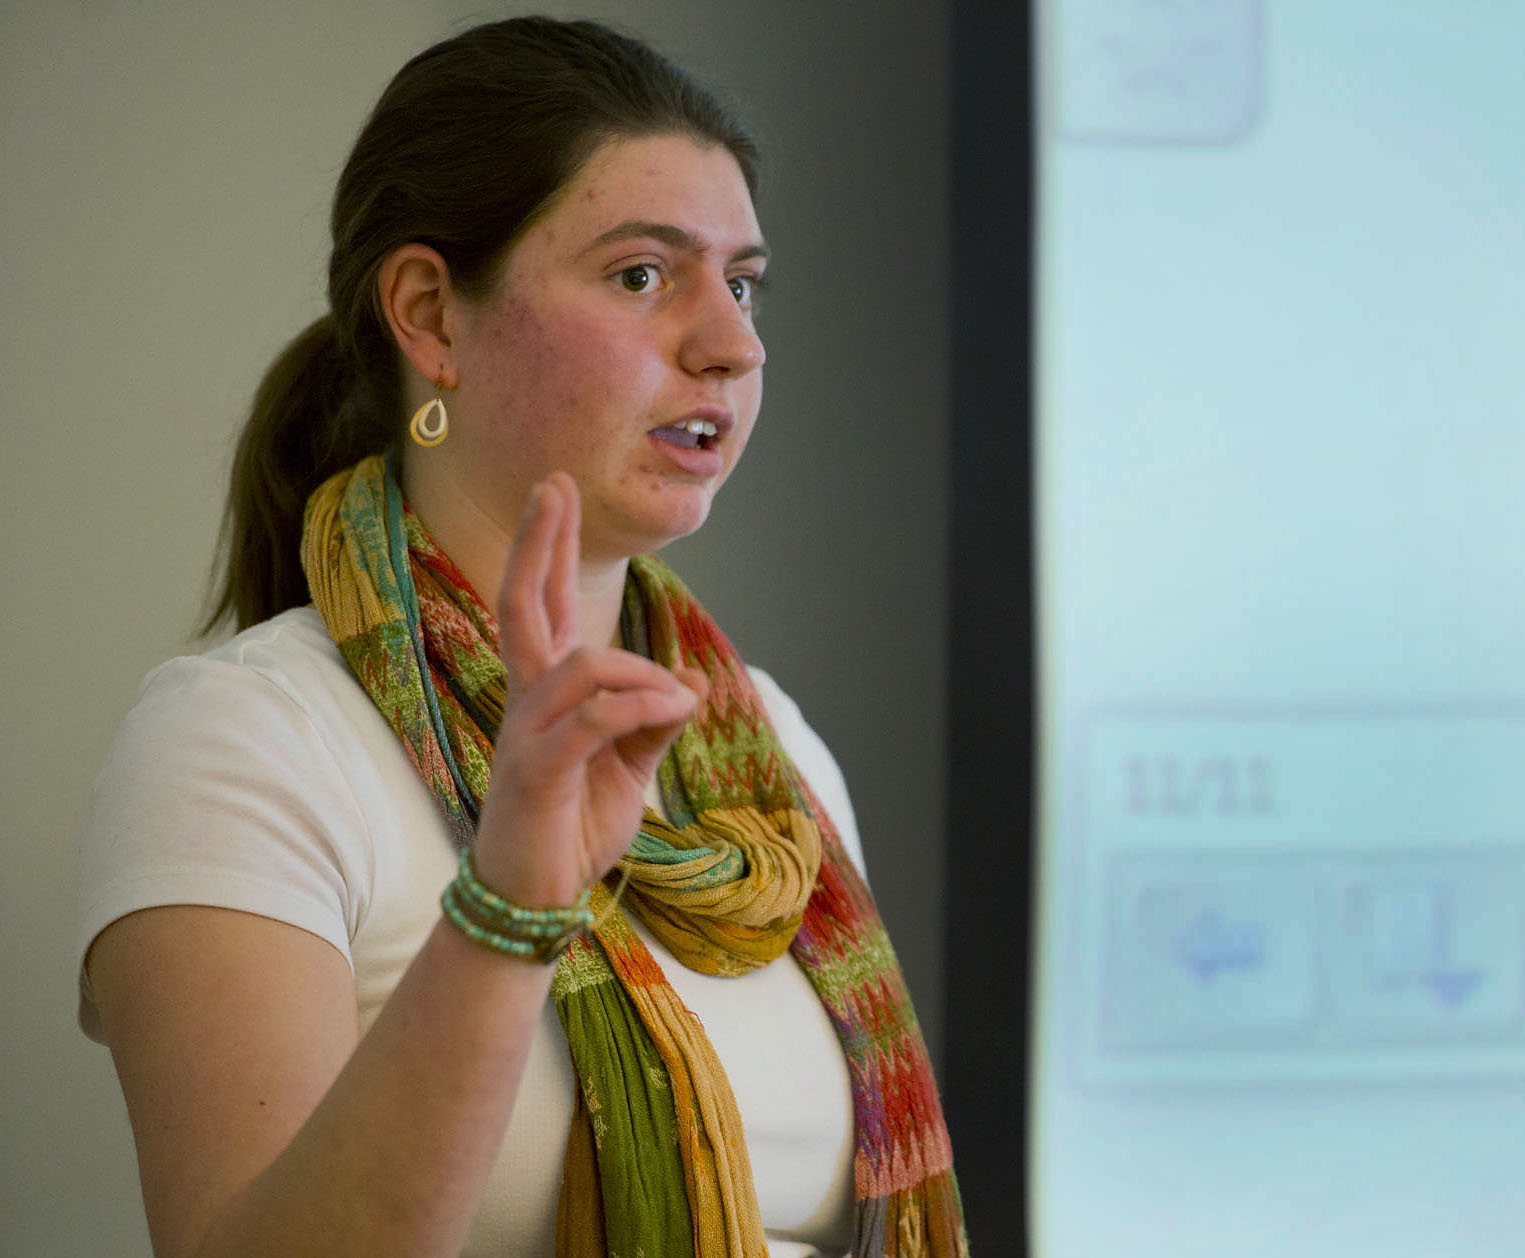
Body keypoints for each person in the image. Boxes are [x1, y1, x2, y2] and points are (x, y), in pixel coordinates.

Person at [73, 18, 965, 1258]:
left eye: (743, 281)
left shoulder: (772, 751)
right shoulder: (246, 738)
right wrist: (509, 906)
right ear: (431, 315)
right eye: (644, 274)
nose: (736, 344)